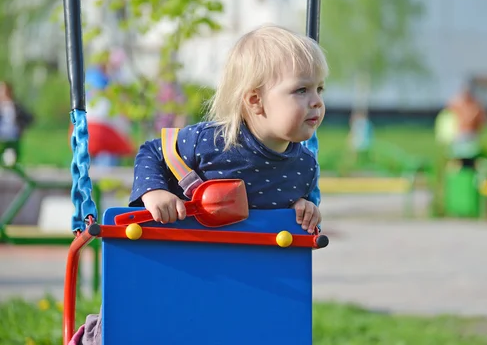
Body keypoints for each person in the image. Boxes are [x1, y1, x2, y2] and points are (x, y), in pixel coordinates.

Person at [70, 24, 328, 345]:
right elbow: (153, 150)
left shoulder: (304, 164)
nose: (316, 101)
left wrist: (304, 208)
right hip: (176, 262)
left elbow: (293, 204)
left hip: (241, 283)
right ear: (255, 100)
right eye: (301, 90)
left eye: (320, 89)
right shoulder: (213, 142)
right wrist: (155, 192)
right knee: (143, 320)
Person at [446, 84, 487, 168]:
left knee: (472, 158)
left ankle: (470, 174)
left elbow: (482, 121)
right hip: (461, 133)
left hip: (472, 134)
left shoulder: (475, 106)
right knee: (458, 158)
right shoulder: (459, 104)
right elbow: (450, 105)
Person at [0, 81, 34, 165]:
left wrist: (21, 128)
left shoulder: (15, 106)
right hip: (1, 136)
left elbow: (29, 117)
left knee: (10, 159)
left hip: (12, 136)